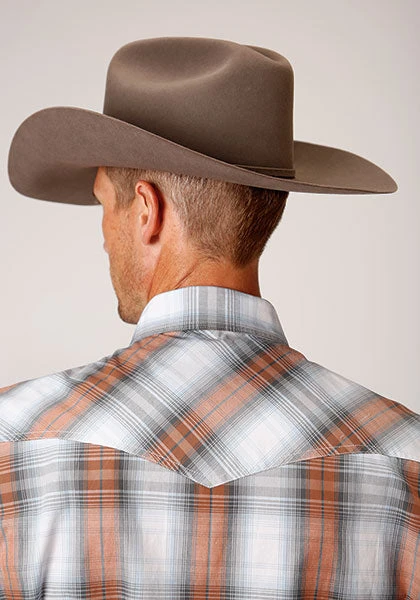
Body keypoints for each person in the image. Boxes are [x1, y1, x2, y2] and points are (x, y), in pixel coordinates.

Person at [1, 36, 419, 599]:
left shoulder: (15, 446)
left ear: (147, 210)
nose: (102, 236)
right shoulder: (402, 461)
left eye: (104, 203)